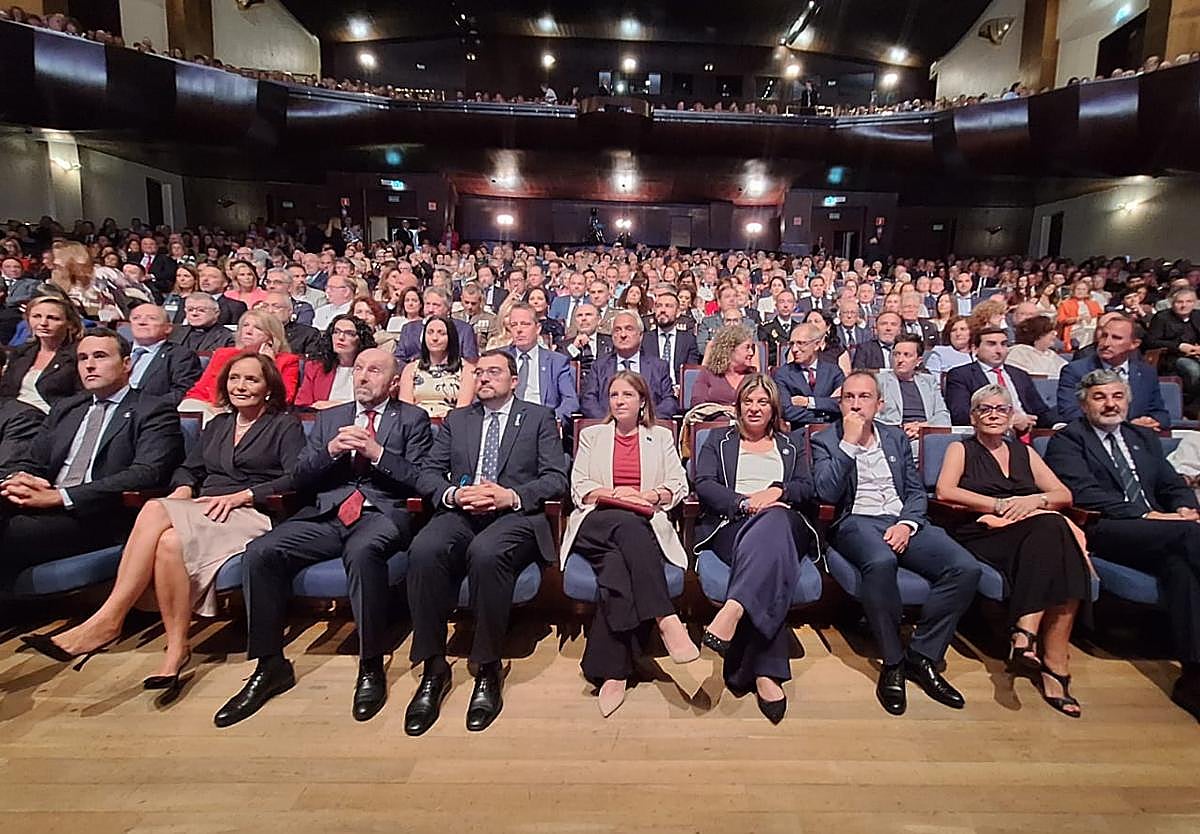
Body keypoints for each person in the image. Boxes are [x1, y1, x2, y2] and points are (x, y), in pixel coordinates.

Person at [20, 354, 303, 689]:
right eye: (234, 378)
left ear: (269, 388)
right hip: (204, 508)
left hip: (252, 512)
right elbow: (189, 468)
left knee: (155, 509)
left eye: (251, 380)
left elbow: (295, 478)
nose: (240, 386)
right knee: (169, 543)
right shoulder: (218, 425)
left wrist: (242, 496)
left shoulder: (285, 425)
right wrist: (184, 488)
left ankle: (109, 618)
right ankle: (176, 649)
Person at [213, 349, 434, 727]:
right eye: (359, 368)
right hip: (327, 514)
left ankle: (370, 664)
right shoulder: (331, 418)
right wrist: (331, 450)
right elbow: (299, 475)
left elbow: (420, 479)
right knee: (261, 552)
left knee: (363, 552)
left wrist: (377, 453)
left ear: (394, 382)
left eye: (374, 370)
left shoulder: (412, 419)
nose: (363, 376)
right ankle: (269, 665)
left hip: (380, 513)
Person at [403, 350, 568, 735]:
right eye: (479, 373)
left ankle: (488, 667)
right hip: (462, 510)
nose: (484, 378)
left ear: (514, 380)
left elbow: (556, 478)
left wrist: (511, 496)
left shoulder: (538, 418)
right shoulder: (458, 419)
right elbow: (428, 473)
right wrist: (453, 495)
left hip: (513, 515)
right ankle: (433, 667)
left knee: (486, 553)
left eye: (494, 372)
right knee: (424, 550)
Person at [812, 371, 981, 716]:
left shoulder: (894, 437)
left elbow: (916, 492)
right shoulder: (825, 440)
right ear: (839, 403)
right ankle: (892, 662)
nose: (856, 405)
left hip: (902, 519)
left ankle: (922, 655)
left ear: (879, 404)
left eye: (864, 397)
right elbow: (826, 493)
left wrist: (906, 523)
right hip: (855, 521)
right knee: (881, 561)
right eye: (848, 397)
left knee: (965, 568)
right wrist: (848, 443)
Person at [1045, 369, 1200, 722]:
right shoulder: (1069, 440)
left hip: (1166, 532)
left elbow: (1171, 484)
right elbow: (1083, 494)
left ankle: (1193, 678)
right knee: (1190, 536)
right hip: (1108, 528)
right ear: (1084, 404)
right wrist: (1149, 516)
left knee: (1181, 567)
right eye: (1099, 397)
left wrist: (1182, 508)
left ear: (1127, 401)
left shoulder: (1142, 437)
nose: (1110, 404)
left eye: (1117, 396)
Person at [935, 384, 1091, 717]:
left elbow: (1063, 494)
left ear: (1011, 416)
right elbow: (945, 490)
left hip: (1032, 533)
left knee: (1053, 531)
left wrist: (1034, 501)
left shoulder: (1025, 453)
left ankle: (1028, 637)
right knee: (1056, 530)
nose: (993, 415)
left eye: (1001, 409)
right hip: (981, 531)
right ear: (973, 417)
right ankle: (1053, 662)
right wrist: (998, 506)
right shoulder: (961, 449)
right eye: (985, 409)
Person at [0, 328, 184, 582]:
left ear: (127, 364)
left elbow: (147, 473)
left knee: (13, 532)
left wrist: (62, 497)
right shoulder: (67, 407)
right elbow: (32, 460)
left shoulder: (153, 409)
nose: (89, 365)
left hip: (99, 514)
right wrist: (19, 478)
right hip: (45, 504)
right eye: (83, 358)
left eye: (100, 356)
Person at [561, 371, 695, 717]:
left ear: (642, 401)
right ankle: (665, 617)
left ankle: (612, 671)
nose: (619, 401)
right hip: (596, 521)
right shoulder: (592, 435)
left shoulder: (660, 437)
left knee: (616, 567)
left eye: (627, 395)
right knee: (626, 522)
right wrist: (616, 494)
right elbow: (579, 486)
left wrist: (648, 496)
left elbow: (678, 484)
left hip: (641, 523)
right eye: (614, 394)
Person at [694, 374, 818, 723]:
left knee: (775, 521)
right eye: (748, 401)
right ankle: (767, 672)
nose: (754, 408)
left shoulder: (791, 443)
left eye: (762, 402)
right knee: (768, 558)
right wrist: (745, 503)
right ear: (738, 406)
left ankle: (732, 610)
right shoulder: (717, 440)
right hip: (733, 524)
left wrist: (776, 492)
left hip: (785, 523)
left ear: (773, 408)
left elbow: (806, 487)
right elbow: (704, 484)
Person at [178, 311, 300, 420]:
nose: (248, 331)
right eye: (245, 325)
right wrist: (213, 405)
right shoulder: (223, 354)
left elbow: (285, 398)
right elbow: (200, 388)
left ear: (271, 337)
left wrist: (268, 364)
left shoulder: (287, 361)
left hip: (254, 409)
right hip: (213, 404)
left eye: (257, 328)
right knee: (187, 408)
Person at [1057, 315, 1168, 428]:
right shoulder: (1075, 371)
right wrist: (1127, 427)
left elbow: (1160, 414)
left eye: (1116, 338)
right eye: (1104, 336)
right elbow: (1070, 413)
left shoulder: (1146, 372)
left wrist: (1151, 422)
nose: (1106, 343)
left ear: (1134, 344)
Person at [945, 327, 1052, 429]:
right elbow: (961, 415)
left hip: (1027, 431)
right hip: (986, 433)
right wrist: (1008, 420)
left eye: (1003, 344)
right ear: (975, 349)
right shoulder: (960, 375)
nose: (999, 350)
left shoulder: (1020, 375)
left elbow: (1041, 411)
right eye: (991, 344)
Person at [580, 310, 678, 419]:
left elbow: (669, 401)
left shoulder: (658, 366)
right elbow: (588, 400)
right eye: (617, 330)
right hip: (608, 425)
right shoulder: (599, 366)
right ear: (612, 336)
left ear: (640, 335)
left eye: (629, 329)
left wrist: (648, 420)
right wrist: (608, 422)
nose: (623, 335)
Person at [0, 294, 83, 414]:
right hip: (13, 415)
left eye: (53, 318)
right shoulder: (21, 352)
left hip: (50, 417)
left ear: (70, 324)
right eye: (36, 316)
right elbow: (6, 391)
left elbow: (80, 398)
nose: (43, 323)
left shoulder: (77, 355)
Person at [503, 303, 579, 424]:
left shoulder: (556, 362)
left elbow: (570, 401)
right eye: (514, 325)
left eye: (525, 324)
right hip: (505, 421)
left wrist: (550, 421)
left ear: (538, 328)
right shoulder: (499, 359)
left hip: (541, 422)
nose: (519, 330)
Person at [399, 314, 477, 419]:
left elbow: (462, 409)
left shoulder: (467, 370)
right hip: (416, 424)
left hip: (451, 424)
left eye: (441, 333)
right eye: (430, 332)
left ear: (451, 337)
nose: (435, 338)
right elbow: (406, 409)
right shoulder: (411, 369)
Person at [875, 335, 951, 442]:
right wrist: (900, 430)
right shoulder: (878, 381)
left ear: (918, 361)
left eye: (907, 355)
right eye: (896, 354)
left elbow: (943, 417)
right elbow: (873, 416)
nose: (900, 360)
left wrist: (922, 426)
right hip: (893, 437)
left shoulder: (929, 381)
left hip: (927, 434)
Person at [125, 304, 201, 406]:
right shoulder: (118, 350)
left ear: (168, 328)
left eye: (151, 318)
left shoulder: (181, 356)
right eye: (136, 318)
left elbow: (180, 394)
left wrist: (141, 406)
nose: (142, 322)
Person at [772, 322, 844, 428]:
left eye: (801, 343)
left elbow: (842, 404)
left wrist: (809, 402)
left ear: (817, 345)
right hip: (798, 432)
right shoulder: (783, 374)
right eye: (792, 344)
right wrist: (825, 415)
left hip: (831, 432)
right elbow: (786, 411)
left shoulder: (833, 372)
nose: (794, 349)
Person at [295, 314, 374, 409]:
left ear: (361, 339)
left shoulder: (372, 371)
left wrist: (338, 406)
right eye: (336, 332)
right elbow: (301, 404)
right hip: (320, 416)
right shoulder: (315, 367)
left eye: (349, 333)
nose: (341, 337)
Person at [394, 287, 480, 364]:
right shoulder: (408, 329)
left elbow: (471, 361)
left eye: (436, 305)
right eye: (427, 304)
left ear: (448, 308)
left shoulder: (464, 330)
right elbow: (398, 359)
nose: (430, 310)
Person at [1146, 287, 1200, 407]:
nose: (1184, 305)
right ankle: (1191, 406)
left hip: (1196, 354)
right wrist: (1179, 346)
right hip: (1171, 357)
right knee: (1194, 371)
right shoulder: (1161, 317)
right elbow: (1150, 341)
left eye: (1189, 301)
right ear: (1172, 303)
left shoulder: (1198, 316)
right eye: (1179, 302)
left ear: (1194, 303)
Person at [641, 289, 700, 386]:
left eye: (668, 306)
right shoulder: (644, 340)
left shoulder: (688, 340)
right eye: (659, 306)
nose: (662, 310)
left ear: (678, 312)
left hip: (679, 389)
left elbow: (691, 374)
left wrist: (681, 388)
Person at [692, 324, 757, 407]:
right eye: (747, 348)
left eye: (752, 348)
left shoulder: (754, 377)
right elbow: (697, 404)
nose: (751, 353)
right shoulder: (708, 374)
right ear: (730, 349)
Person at [168, 292, 236, 353]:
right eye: (190, 310)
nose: (194, 313)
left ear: (216, 313)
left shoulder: (228, 337)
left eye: (201, 310)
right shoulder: (173, 332)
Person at [1007, 315, 1067, 379]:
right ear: (1039, 335)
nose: (1055, 335)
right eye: (1051, 333)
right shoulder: (1019, 353)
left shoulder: (1051, 354)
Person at [925, 315, 973, 381]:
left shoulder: (979, 353)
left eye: (963, 329)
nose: (958, 334)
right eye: (953, 330)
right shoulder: (938, 353)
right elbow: (932, 382)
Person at [1057, 280, 1102, 347]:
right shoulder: (1065, 304)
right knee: (1088, 330)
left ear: (1087, 292)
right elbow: (1061, 320)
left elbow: (1100, 317)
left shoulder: (1094, 303)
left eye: (1084, 289)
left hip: (1091, 326)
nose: (1080, 291)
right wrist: (1078, 318)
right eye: (1078, 289)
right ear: (1073, 291)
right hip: (1074, 329)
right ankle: (1083, 349)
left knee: (1094, 329)